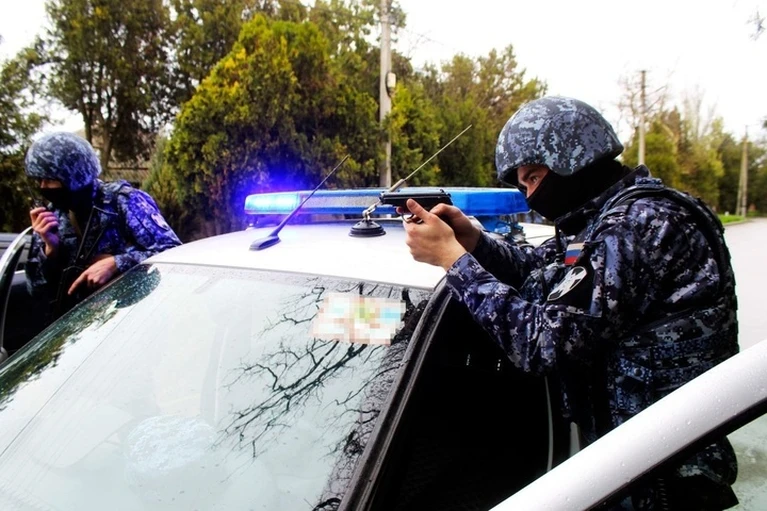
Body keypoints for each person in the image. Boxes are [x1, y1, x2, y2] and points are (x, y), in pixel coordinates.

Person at [402, 96, 739, 509]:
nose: (530, 196)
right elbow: (538, 272)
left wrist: (452, 261)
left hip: (663, 479)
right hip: (632, 464)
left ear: (571, 157)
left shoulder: (636, 226)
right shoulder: (602, 222)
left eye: (533, 177)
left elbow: (543, 344)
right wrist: (474, 242)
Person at [24, 132, 182, 319]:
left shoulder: (123, 201)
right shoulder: (51, 217)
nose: (43, 187)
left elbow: (174, 252)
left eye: (50, 180)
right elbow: (35, 291)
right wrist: (50, 250)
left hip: (133, 316)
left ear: (75, 175)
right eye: (39, 180)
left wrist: (117, 263)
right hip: (80, 325)